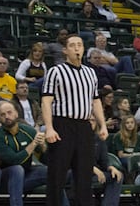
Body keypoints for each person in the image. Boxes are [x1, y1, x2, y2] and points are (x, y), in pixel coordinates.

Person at [42, 34, 109, 206]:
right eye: (72, 45)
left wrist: (102, 125)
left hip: (84, 126)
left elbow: (95, 101)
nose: (77, 48)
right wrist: (49, 128)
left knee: (84, 175)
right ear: (65, 50)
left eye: (79, 45)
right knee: (57, 175)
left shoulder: (90, 72)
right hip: (62, 124)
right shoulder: (55, 71)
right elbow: (46, 100)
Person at [0, 102, 65, 206]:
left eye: (9, 113)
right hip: (5, 179)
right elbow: (15, 160)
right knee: (16, 169)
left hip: (27, 174)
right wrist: (33, 144)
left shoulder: (27, 130)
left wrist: (43, 147)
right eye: (2, 114)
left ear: (16, 113)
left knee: (51, 171)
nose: (7, 117)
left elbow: (45, 160)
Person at [88, 114, 123, 206]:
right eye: (88, 120)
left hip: (95, 175)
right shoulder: (74, 139)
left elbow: (104, 161)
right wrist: (93, 169)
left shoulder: (99, 140)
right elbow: (72, 161)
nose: (90, 123)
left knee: (117, 176)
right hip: (77, 173)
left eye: (93, 120)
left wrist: (110, 167)